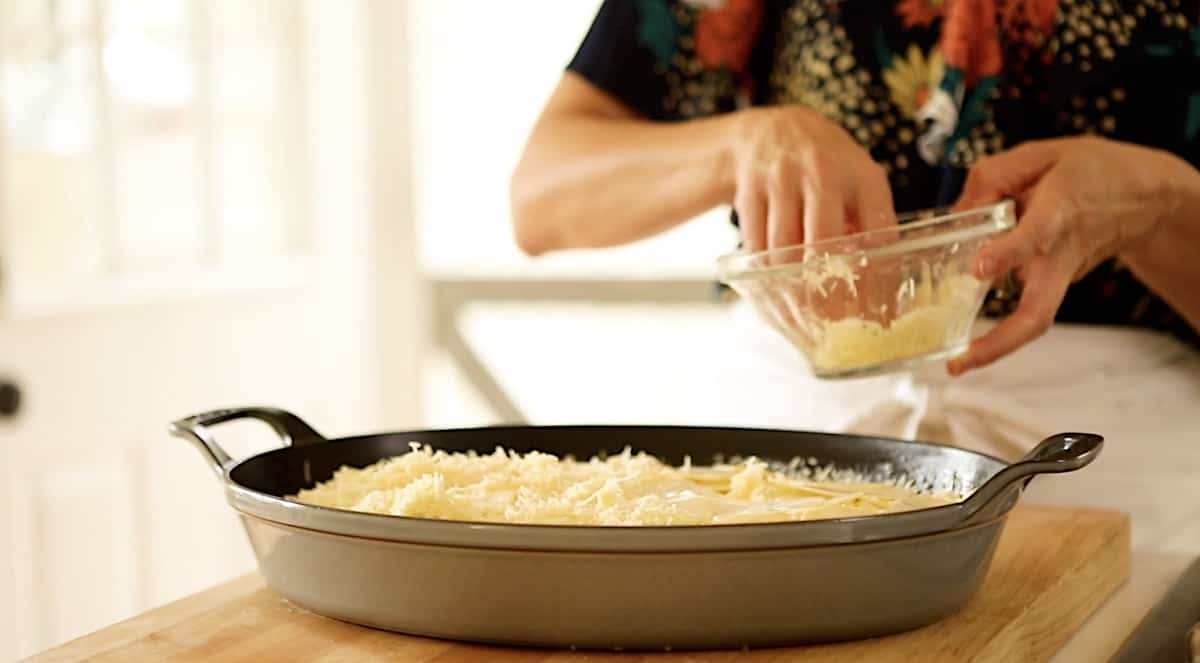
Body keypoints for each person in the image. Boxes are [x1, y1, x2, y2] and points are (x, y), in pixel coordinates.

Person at [511, 1, 1200, 543]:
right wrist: (738, 143)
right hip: (775, 460)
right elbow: (541, 193)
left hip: (1113, 469)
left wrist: (1164, 205)